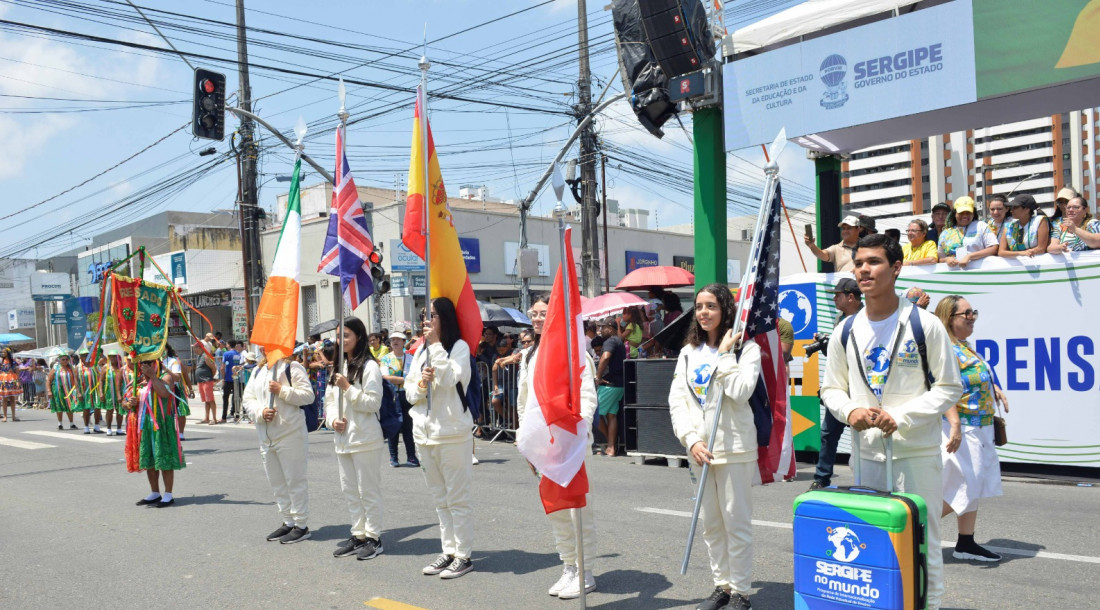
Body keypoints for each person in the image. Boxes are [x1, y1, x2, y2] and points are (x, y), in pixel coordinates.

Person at [821, 234, 964, 610]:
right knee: (871, 545)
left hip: (915, 455)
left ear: (896, 268)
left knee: (923, 541)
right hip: (866, 456)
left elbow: (950, 387)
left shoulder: (925, 324)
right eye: (859, 263)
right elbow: (831, 388)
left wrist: (899, 417)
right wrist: (850, 411)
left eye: (874, 262)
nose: (863, 269)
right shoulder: (846, 329)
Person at [668, 283, 760, 610]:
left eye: (711, 306)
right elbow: (677, 401)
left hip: (735, 448)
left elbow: (740, 390)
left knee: (736, 522)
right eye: (699, 306)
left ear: (725, 310)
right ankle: (721, 585)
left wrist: (724, 356)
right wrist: (690, 440)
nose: (704, 312)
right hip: (701, 451)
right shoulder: (688, 353)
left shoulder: (745, 349)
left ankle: (741, 592)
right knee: (711, 523)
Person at [516, 294, 599, 600]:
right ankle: (569, 565)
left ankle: (585, 569)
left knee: (578, 510)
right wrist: (525, 439)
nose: (538, 318)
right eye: (534, 314)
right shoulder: (529, 354)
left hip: (569, 443)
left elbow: (587, 396)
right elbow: (524, 402)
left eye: (543, 313)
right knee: (556, 510)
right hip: (541, 445)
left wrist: (577, 434)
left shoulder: (573, 351)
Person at [403, 297, 476, 579]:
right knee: (440, 499)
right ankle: (448, 551)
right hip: (424, 433)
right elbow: (410, 394)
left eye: (432, 314)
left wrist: (435, 345)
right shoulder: (420, 351)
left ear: (444, 317)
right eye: (424, 314)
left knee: (458, 498)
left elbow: (449, 380)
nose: (426, 320)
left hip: (452, 433)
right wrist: (422, 382)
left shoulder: (458, 348)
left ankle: (464, 555)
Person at [934, 295, 1007, 562]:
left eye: (972, 312)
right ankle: (914, 527)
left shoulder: (964, 347)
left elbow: (977, 376)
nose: (972, 317)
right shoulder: (945, 349)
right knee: (966, 485)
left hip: (980, 427)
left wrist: (994, 388)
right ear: (949, 319)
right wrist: (954, 424)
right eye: (966, 314)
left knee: (972, 485)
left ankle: (966, 542)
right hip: (962, 428)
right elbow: (942, 389)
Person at [326, 316, 386, 560]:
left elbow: (373, 403)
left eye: (347, 335)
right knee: (349, 489)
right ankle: (358, 533)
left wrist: (348, 388)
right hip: (343, 439)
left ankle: (373, 538)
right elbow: (329, 402)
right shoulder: (337, 367)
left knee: (367, 490)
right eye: (340, 336)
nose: (342, 340)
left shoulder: (369, 366)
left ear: (359, 337)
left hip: (365, 438)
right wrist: (333, 421)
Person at [242, 350, 316, 544]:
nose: (266, 348)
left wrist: (282, 390)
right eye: (264, 345)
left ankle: (301, 524)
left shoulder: (292, 367)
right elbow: (247, 399)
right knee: (277, 482)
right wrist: (260, 412)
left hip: (290, 434)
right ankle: (288, 521)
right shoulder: (258, 370)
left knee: (294, 481)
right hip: (265, 437)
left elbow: (308, 396)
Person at [809, 278, 863, 490]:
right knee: (828, 434)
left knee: (868, 436)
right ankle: (821, 479)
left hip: (862, 390)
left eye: (838, 295)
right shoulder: (840, 319)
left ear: (851, 297)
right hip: (841, 388)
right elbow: (840, 355)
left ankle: (870, 481)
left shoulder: (867, 318)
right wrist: (826, 345)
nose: (834, 298)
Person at [128, 359, 185, 507]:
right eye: (143, 364)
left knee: (164, 458)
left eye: (148, 363)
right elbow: (125, 400)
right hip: (145, 426)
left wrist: (153, 376)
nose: (144, 366)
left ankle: (168, 494)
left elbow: (164, 393)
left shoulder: (166, 376)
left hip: (161, 425)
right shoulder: (138, 380)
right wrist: (129, 403)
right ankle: (154, 492)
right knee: (150, 460)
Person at [381, 331, 418, 468]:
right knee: (393, 426)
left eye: (398, 339)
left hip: (407, 394)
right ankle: (393, 457)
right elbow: (385, 377)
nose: (395, 342)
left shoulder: (411, 358)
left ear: (404, 342)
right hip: (392, 395)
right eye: (393, 340)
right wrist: (405, 380)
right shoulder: (386, 359)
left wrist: (402, 381)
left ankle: (412, 457)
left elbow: (416, 375)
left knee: (408, 427)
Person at [937, 196, 999, 268]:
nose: (965, 216)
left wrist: (969, 256)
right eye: (961, 213)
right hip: (954, 275)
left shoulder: (981, 226)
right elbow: (940, 259)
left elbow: (994, 248)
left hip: (979, 271)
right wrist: (946, 259)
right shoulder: (945, 233)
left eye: (968, 212)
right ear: (955, 213)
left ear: (973, 213)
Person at [595, 317, 626, 457]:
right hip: (619, 385)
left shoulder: (610, 341)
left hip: (609, 385)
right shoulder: (619, 341)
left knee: (596, 413)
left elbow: (606, 357)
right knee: (611, 415)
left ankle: (609, 444)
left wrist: (598, 377)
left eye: (603, 327)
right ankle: (611, 447)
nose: (600, 330)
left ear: (611, 328)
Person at [161, 344, 189, 440]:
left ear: (167, 349)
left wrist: (166, 369)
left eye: (163, 348)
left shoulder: (174, 361)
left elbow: (178, 377)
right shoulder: (153, 362)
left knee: (181, 411)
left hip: (174, 390)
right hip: (159, 390)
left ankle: (180, 433)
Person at [47, 352, 78, 429]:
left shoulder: (71, 368)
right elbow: (48, 380)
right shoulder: (56, 368)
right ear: (60, 360)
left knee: (70, 406)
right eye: (63, 359)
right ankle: (60, 423)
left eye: (66, 359)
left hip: (69, 390)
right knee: (59, 406)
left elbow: (76, 378)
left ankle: (71, 423)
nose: (65, 361)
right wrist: (49, 391)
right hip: (58, 391)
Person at [100, 354, 129, 436]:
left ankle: (119, 428)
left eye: (114, 357)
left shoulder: (122, 367)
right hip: (109, 392)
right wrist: (101, 393)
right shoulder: (106, 367)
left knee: (119, 410)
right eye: (110, 357)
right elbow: (101, 381)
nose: (112, 358)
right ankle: (109, 428)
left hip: (120, 391)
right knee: (109, 410)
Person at [74, 355, 103, 434]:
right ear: (81, 358)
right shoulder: (78, 368)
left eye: (88, 355)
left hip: (95, 390)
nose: (87, 357)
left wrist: (101, 391)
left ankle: (97, 426)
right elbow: (76, 380)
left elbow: (100, 377)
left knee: (97, 408)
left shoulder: (94, 365)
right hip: (85, 391)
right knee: (86, 409)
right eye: (84, 356)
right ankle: (86, 427)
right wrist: (78, 392)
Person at [193, 339, 219, 424]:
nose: (194, 350)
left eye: (195, 348)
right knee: (206, 400)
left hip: (207, 380)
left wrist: (211, 376)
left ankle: (214, 418)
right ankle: (206, 417)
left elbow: (213, 368)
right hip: (201, 381)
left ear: (200, 348)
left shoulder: (206, 356)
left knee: (211, 400)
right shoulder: (199, 356)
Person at [221, 339, 243, 422]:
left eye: (227, 344)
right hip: (236, 378)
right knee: (236, 397)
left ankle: (223, 417)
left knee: (225, 398)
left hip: (228, 378)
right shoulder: (238, 354)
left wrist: (223, 377)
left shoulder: (226, 353)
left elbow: (222, 367)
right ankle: (236, 416)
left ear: (229, 345)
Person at [0, 348, 20, 422]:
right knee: (4, 399)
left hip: (12, 380)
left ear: (8, 353)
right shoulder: (1, 361)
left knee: (12, 399)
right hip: (3, 381)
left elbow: (17, 371)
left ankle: (13, 416)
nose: (3, 353)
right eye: (2, 352)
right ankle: (5, 417)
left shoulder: (13, 362)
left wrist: (17, 381)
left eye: (4, 352)